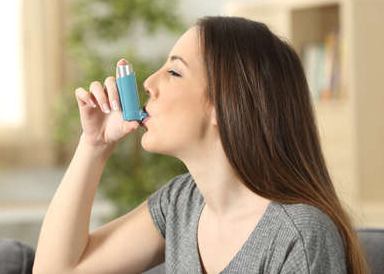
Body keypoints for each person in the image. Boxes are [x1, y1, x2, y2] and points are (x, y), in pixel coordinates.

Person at [33, 16, 369, 274]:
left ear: (226, 104)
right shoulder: (181, 203)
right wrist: (93, 146)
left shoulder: (298, 234)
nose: (149, 83)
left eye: (174, 72)